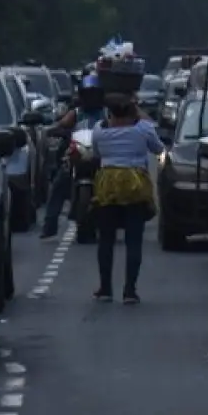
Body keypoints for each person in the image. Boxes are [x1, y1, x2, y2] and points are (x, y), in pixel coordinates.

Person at [90, 94, 162, 304]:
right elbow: (158, 148)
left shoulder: (99, 130)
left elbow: (96, 154)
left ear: (110, 113)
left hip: (107, 186)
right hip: (135, 185)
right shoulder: (143, 129)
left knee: (106, 239)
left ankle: (105, 288)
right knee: (134, 240)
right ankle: (130, 290)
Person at [39, 74, 106, 239]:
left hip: (102, 155)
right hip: (78, 152)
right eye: (88, 95)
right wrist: (52, 131)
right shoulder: (76, 113)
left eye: (94, 94)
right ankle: (50, 224)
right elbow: (61, 125)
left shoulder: (106, 114)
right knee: (60, 181)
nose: (91, 99)